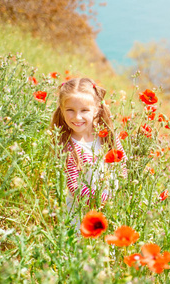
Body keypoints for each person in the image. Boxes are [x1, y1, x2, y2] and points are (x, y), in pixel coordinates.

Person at [50, 77, 127, 222]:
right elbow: (74, 186)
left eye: (84, 110)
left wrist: (117, 196)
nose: (77, 117)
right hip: (81, 215)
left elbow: (122, 165)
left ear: (96, 109)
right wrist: (101, 201)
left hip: (113, 208)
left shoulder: (107, 136)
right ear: (61, 109)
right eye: (70, 110)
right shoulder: (67, 145)